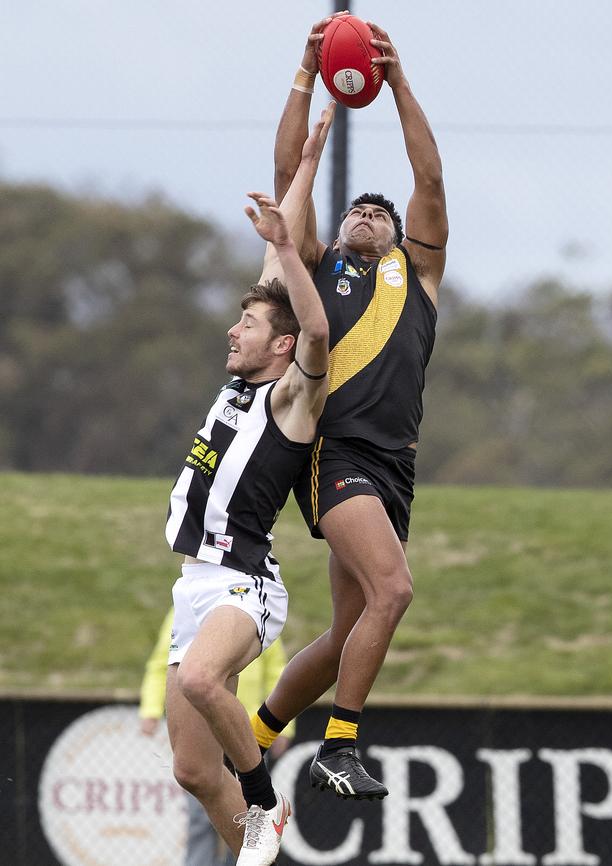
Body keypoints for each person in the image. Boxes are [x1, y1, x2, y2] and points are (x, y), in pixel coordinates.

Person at [250, 14, 449, 801]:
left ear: (404, 238)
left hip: (395, 467)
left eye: (381, 213)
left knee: (344, 634)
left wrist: (398, 84)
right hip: (338, 454)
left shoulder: (419, 279)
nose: (367, 215)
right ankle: (340, 745)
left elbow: (429, 181)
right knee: (394, 591)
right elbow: (284, 175)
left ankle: (256, 735)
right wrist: (305, 76)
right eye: (355, 211)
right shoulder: (320, 265)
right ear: (337, 233)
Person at [163, 104, 333, 866]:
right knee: (193, 770)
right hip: (193, 585)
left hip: (244, 583)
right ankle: (254, 851)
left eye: (249, 326)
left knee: (205, 678)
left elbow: (318, 331)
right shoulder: (235, 384)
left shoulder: (291, 398)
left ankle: (267, 806)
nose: (234, 331)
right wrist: (306, 163)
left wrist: (293, 251)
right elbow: (272, 259)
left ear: (281, 345)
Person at [138, 608, 295, 866]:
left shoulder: (250, 608)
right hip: (202, 729)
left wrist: (282, 725)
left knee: (252, 815)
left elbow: (277, 671)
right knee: (200, 811)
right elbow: (162, 662)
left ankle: (262, 818)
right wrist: (150, 709)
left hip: (248, 732)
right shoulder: (184, 606)